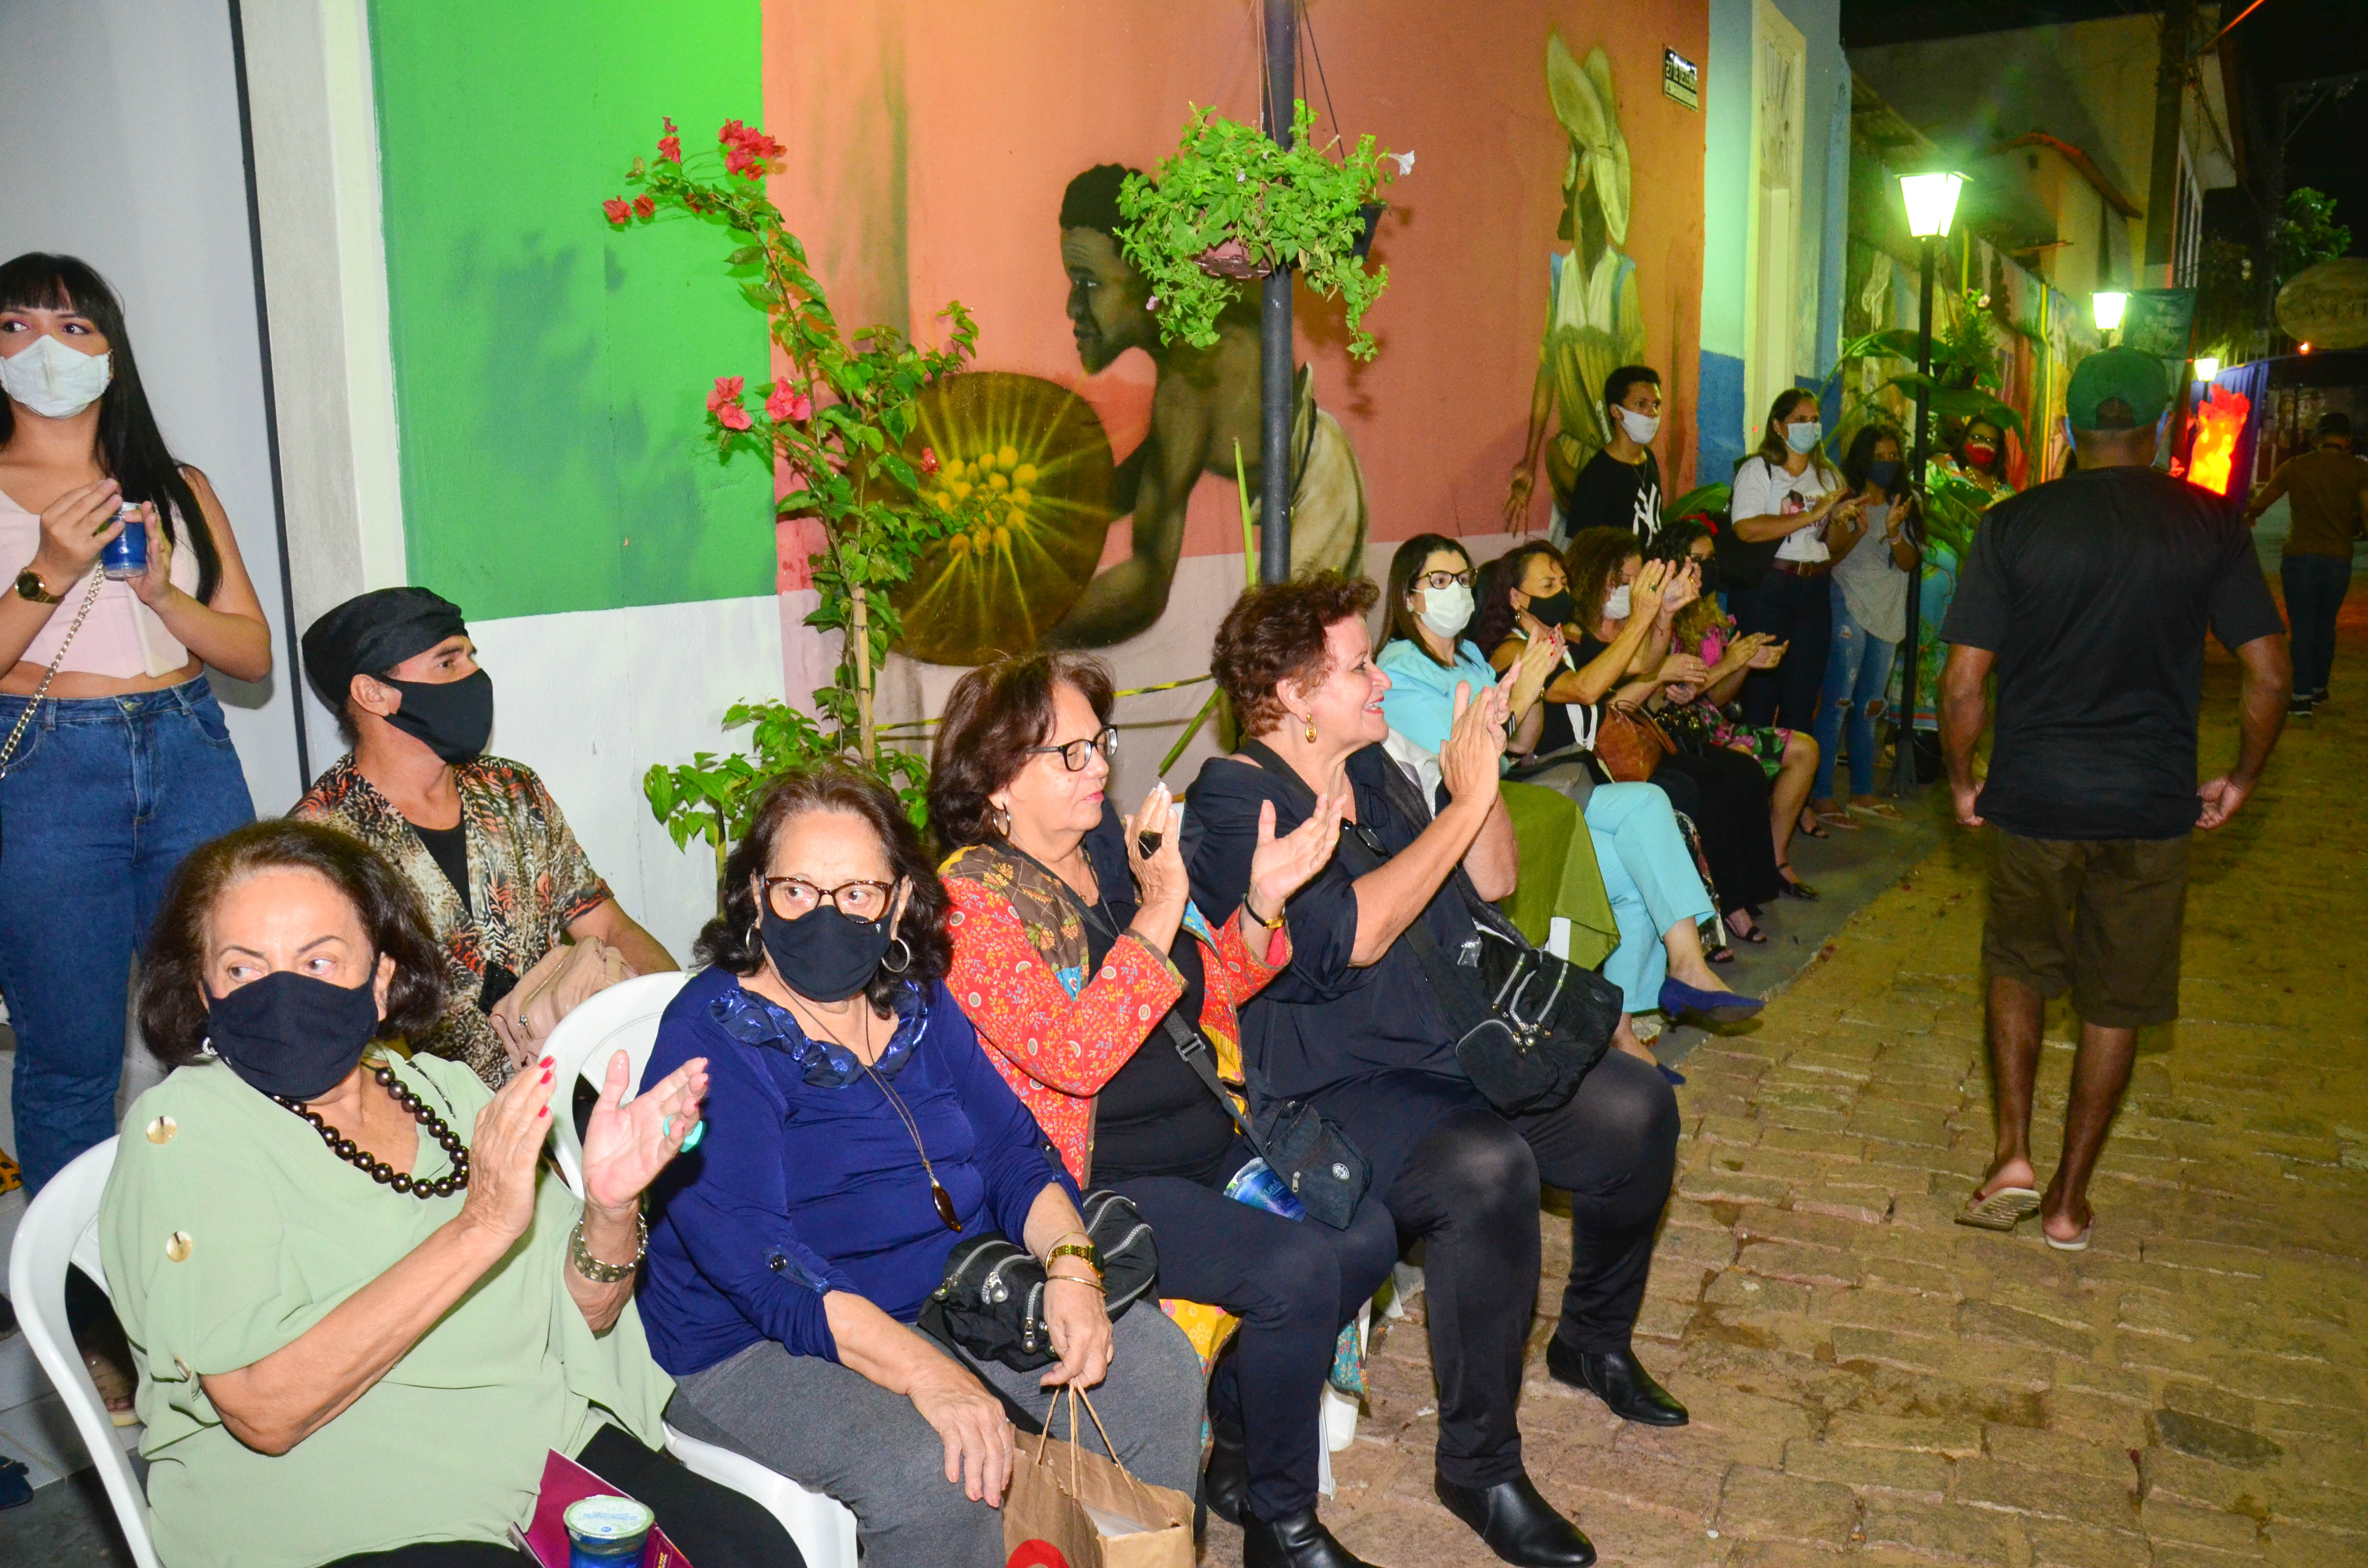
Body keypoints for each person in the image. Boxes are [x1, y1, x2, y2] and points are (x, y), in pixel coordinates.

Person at [99, 820, 800, 1568]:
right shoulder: (186, 1132)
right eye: (243, 968)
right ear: (205, 993)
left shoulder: (446, 1092)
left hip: (535, 1456)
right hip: (334, 1504)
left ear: (379, 981)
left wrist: (610, 1208)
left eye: (318, 960)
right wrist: (478, 1229)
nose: (282, 994)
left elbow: (586, 1315)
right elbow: (261, 1410)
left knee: (752, 1549)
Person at [1189, 573, 1686, 1568]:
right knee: (1484, 1168)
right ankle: (1478, 1466)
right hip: (1335, 1086)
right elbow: (1351, 938)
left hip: (1455, 1042)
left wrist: (1478, 781)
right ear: (1291, 695)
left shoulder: (1370, 764)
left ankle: (1590, 1340)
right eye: (1358, 667)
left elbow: (1492, 879)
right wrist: (1461, 803)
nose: (1380, 680)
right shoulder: (1234, 801)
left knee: (1635, 1110)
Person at [636, 765, 1205, 1568]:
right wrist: (927, 1375)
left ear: (900, 899)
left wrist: (1072, 1266)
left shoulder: (917, 998)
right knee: (941, 1471)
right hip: (758, 1340)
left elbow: (1012, 1151)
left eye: (856, 893)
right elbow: (764, 1268)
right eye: (796, 890)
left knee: (1155, 1373)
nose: (825, 916)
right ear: (756, 897)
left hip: (950, 1290)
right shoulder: (712, 1034)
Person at [930, 653, 1390, 1568]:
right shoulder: (969, 905)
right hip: (1093, 1179)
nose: (1099, 764)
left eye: (1097, 741)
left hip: (1206, 1132)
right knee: (1295, 1267)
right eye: (1068, 752)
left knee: (1364, 1226)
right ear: (995, 783)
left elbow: (1208, 991)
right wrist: (1159, 908)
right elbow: (1074, 1053)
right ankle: (1282, 1528)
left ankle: (1242, 1446)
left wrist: (1259, 901)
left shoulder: (1107, 853)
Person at [1942, 347, 2289, 1252]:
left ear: (2065, 430)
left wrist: (1963, 778)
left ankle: (2012, 1152)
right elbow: (2268, 674)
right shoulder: (2211, 524)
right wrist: (2242, 776)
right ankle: (2067, 1199)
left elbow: (1962, 682)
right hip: (2149, 800)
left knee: (2017, 964)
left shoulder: (2012, 525)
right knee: (2117, 999)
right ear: (2163, 428)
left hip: (2036, 794)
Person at [0, 254, 271, 1200]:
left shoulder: (176, 482)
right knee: (71, 1056)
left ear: (110, 350)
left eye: (73, 327)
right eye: (16, 326)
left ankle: (229, 1242)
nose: (44, 347)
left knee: (236, 1022)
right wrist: (48, 567)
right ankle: (84, 1278)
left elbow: (251, 653)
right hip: (47, 766)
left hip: (189, 747)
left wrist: (161, 594)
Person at [294, 588, 674, 1086]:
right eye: (447, 663)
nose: (474, 677)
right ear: (373, 693)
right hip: (434, 1114)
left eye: (471, 657)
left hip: (572, 1088)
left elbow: (610, 929)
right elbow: (346, 1031)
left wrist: (675, 1016)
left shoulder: (512, 792)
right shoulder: (320, 846)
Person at [1385, 536, 1759, 1041]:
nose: (1456, 590)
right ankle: (1632, 1023)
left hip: (1518, 792)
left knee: (1650, 807)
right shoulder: (1400, 666)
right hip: (1473, 823)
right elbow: (1459, 760)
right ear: (1408, 596)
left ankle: (1670, 983)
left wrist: (1531, 686)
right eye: (1439, 581)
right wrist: (1522, 692)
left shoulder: (1470, 656)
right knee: (1633, 864)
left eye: (1462, 579)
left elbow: (1522, 743)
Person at [1045, 163, 1365, 647]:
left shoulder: (1189, 381)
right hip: (1308, 475)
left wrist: (1030, 636)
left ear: (1144, 276)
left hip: (1318, 493)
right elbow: (1154, 468)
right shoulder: (1194, 338)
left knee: (1284, 661)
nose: (1073, 307)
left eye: (1089, 283)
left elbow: (1146, 585)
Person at [1641, 521, 1826, 867]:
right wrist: (1730, 663)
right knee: (1743, 767)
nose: (1706, 569)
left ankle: (1775, 859)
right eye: (1697, 560)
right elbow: (1673, 693)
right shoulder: (1658, 617)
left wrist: (1745, 664)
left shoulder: (1711, 615)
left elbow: (1717, 699)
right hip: (1675, 732)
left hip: (1711, 723)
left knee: (1806, 750)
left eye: (1711, 559)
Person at [1727, 389, 1862, 730]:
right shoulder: (1760, 469)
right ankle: (1754, 763)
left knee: (1802, 697)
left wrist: (1838, 520)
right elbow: (1746, 528)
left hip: (1814, 588)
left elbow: (1832, 546)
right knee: (1761, 693)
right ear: (1778, 426)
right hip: (1769, 588)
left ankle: (1796, 761)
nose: (1810, 427)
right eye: (1800, 420)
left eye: (1815, 420)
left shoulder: (1827, 476)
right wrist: (1811, 514)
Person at [1807, 426, 1919, 826]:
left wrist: (1893, 532)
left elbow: (1909, 563)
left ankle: (1862, 792)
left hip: (1887, 612)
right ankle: (1821, 795)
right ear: (1863, 460)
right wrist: (1859, 527)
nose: (1887, 464)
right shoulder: (1846, 501)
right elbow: (1830, 558)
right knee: (1838, 702)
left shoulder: (1907, 504)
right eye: (1879, 456)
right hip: (1849, 602)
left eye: (1893, 456)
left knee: (1871, 707)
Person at [2242, 410, 2367, 716]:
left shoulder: (2295, 466)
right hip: (2339, 558)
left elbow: (2263, 501)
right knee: (2326, 624)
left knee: (2302, 627)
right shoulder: (2359, 470)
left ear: (2317, 438)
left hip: (2300, 556)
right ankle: (2319, 688)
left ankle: (2300, 696)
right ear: (2347, 440)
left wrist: (2249, 516)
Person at [1555, 366, 1665, 549]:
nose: (1652, 413)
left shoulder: (1649, 459)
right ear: (1616, 411)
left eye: (1656, 404)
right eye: (1641, 404)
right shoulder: (1596, 477)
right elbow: (1583, 550)